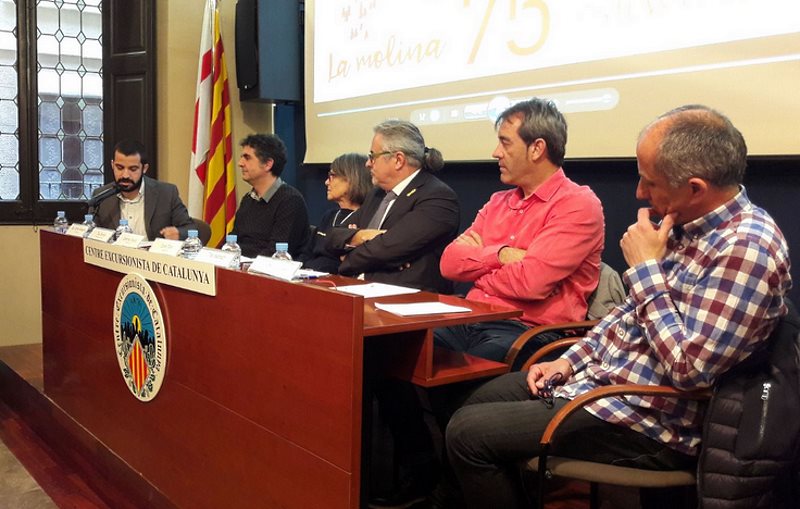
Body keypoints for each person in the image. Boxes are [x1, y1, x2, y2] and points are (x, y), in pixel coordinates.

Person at [441, 105, 792, 509]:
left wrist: (645, 271)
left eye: (649, 182)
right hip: (603, 383)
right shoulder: (683, 227)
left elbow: (690, 371)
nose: (640, 194)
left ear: (696, 188)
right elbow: (625, 319)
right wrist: (569, 362)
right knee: (472, 404)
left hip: (650, 418)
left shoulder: (746, 249)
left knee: (468, 433)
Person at [435, 98, 604, 363]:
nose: (495, 152)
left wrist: (478, 269)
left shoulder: (577, 204)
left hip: (528, 330)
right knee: (401, 351)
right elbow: (448, 264)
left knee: (459, 373)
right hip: (471, 316)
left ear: (537, 148)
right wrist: (500, 256)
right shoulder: (498, 202)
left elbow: (531, 284)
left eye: (505, 142)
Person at [326, 120, 459, 293]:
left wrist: (348, 258)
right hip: (362, 291)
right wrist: (364, 235)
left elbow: (386, 249)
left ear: (398, 160)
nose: (367, 163)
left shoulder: (437, 197)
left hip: (409, 301)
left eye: (372, 156)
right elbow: (332, 237)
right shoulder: (377, 194)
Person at [93, 139, 195, 240]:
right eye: (119, 168)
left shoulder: (167, 193)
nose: (125, 175)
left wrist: (179, 233)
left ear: (144, 168)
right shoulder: (101, 197)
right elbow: (89, 234)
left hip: (152, 255)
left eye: (133, 169)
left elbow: (190, 228)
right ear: (112, 165)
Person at [230, 133, 311, 259]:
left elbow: (277, 253)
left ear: (268, 164)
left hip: (268, 273)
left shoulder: (290, 201)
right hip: (242, 268)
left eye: (247, 158)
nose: (240, 163)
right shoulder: (248, 199)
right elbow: (233, 241)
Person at [301, 152, 372, 273]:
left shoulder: (367, 219)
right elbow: (307, 253)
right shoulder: (329, 216)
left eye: (332, 176)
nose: (327, 182)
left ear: (352, 179)